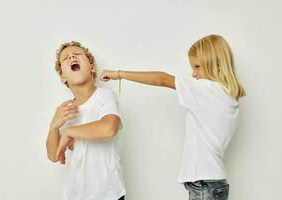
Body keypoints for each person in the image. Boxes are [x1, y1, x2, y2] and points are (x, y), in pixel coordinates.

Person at [100, 35, 245, 200]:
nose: (194, 74)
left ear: (217, 64)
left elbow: (162, 79)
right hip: (215, 182)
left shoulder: (205, 90)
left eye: (197, 67)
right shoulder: (227, 94)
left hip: (204, 184)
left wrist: (119, 74)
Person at [46, 41, 126, 200]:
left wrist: (70, 132)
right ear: (63, 76)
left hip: (107, 193)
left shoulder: (104, 96)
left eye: (77, 54)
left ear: (92, 67)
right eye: (66, 58)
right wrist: (54, 127)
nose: (72, 56)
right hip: (74, 194)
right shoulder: (65, 110)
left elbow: (109, 128)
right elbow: (53, 156)